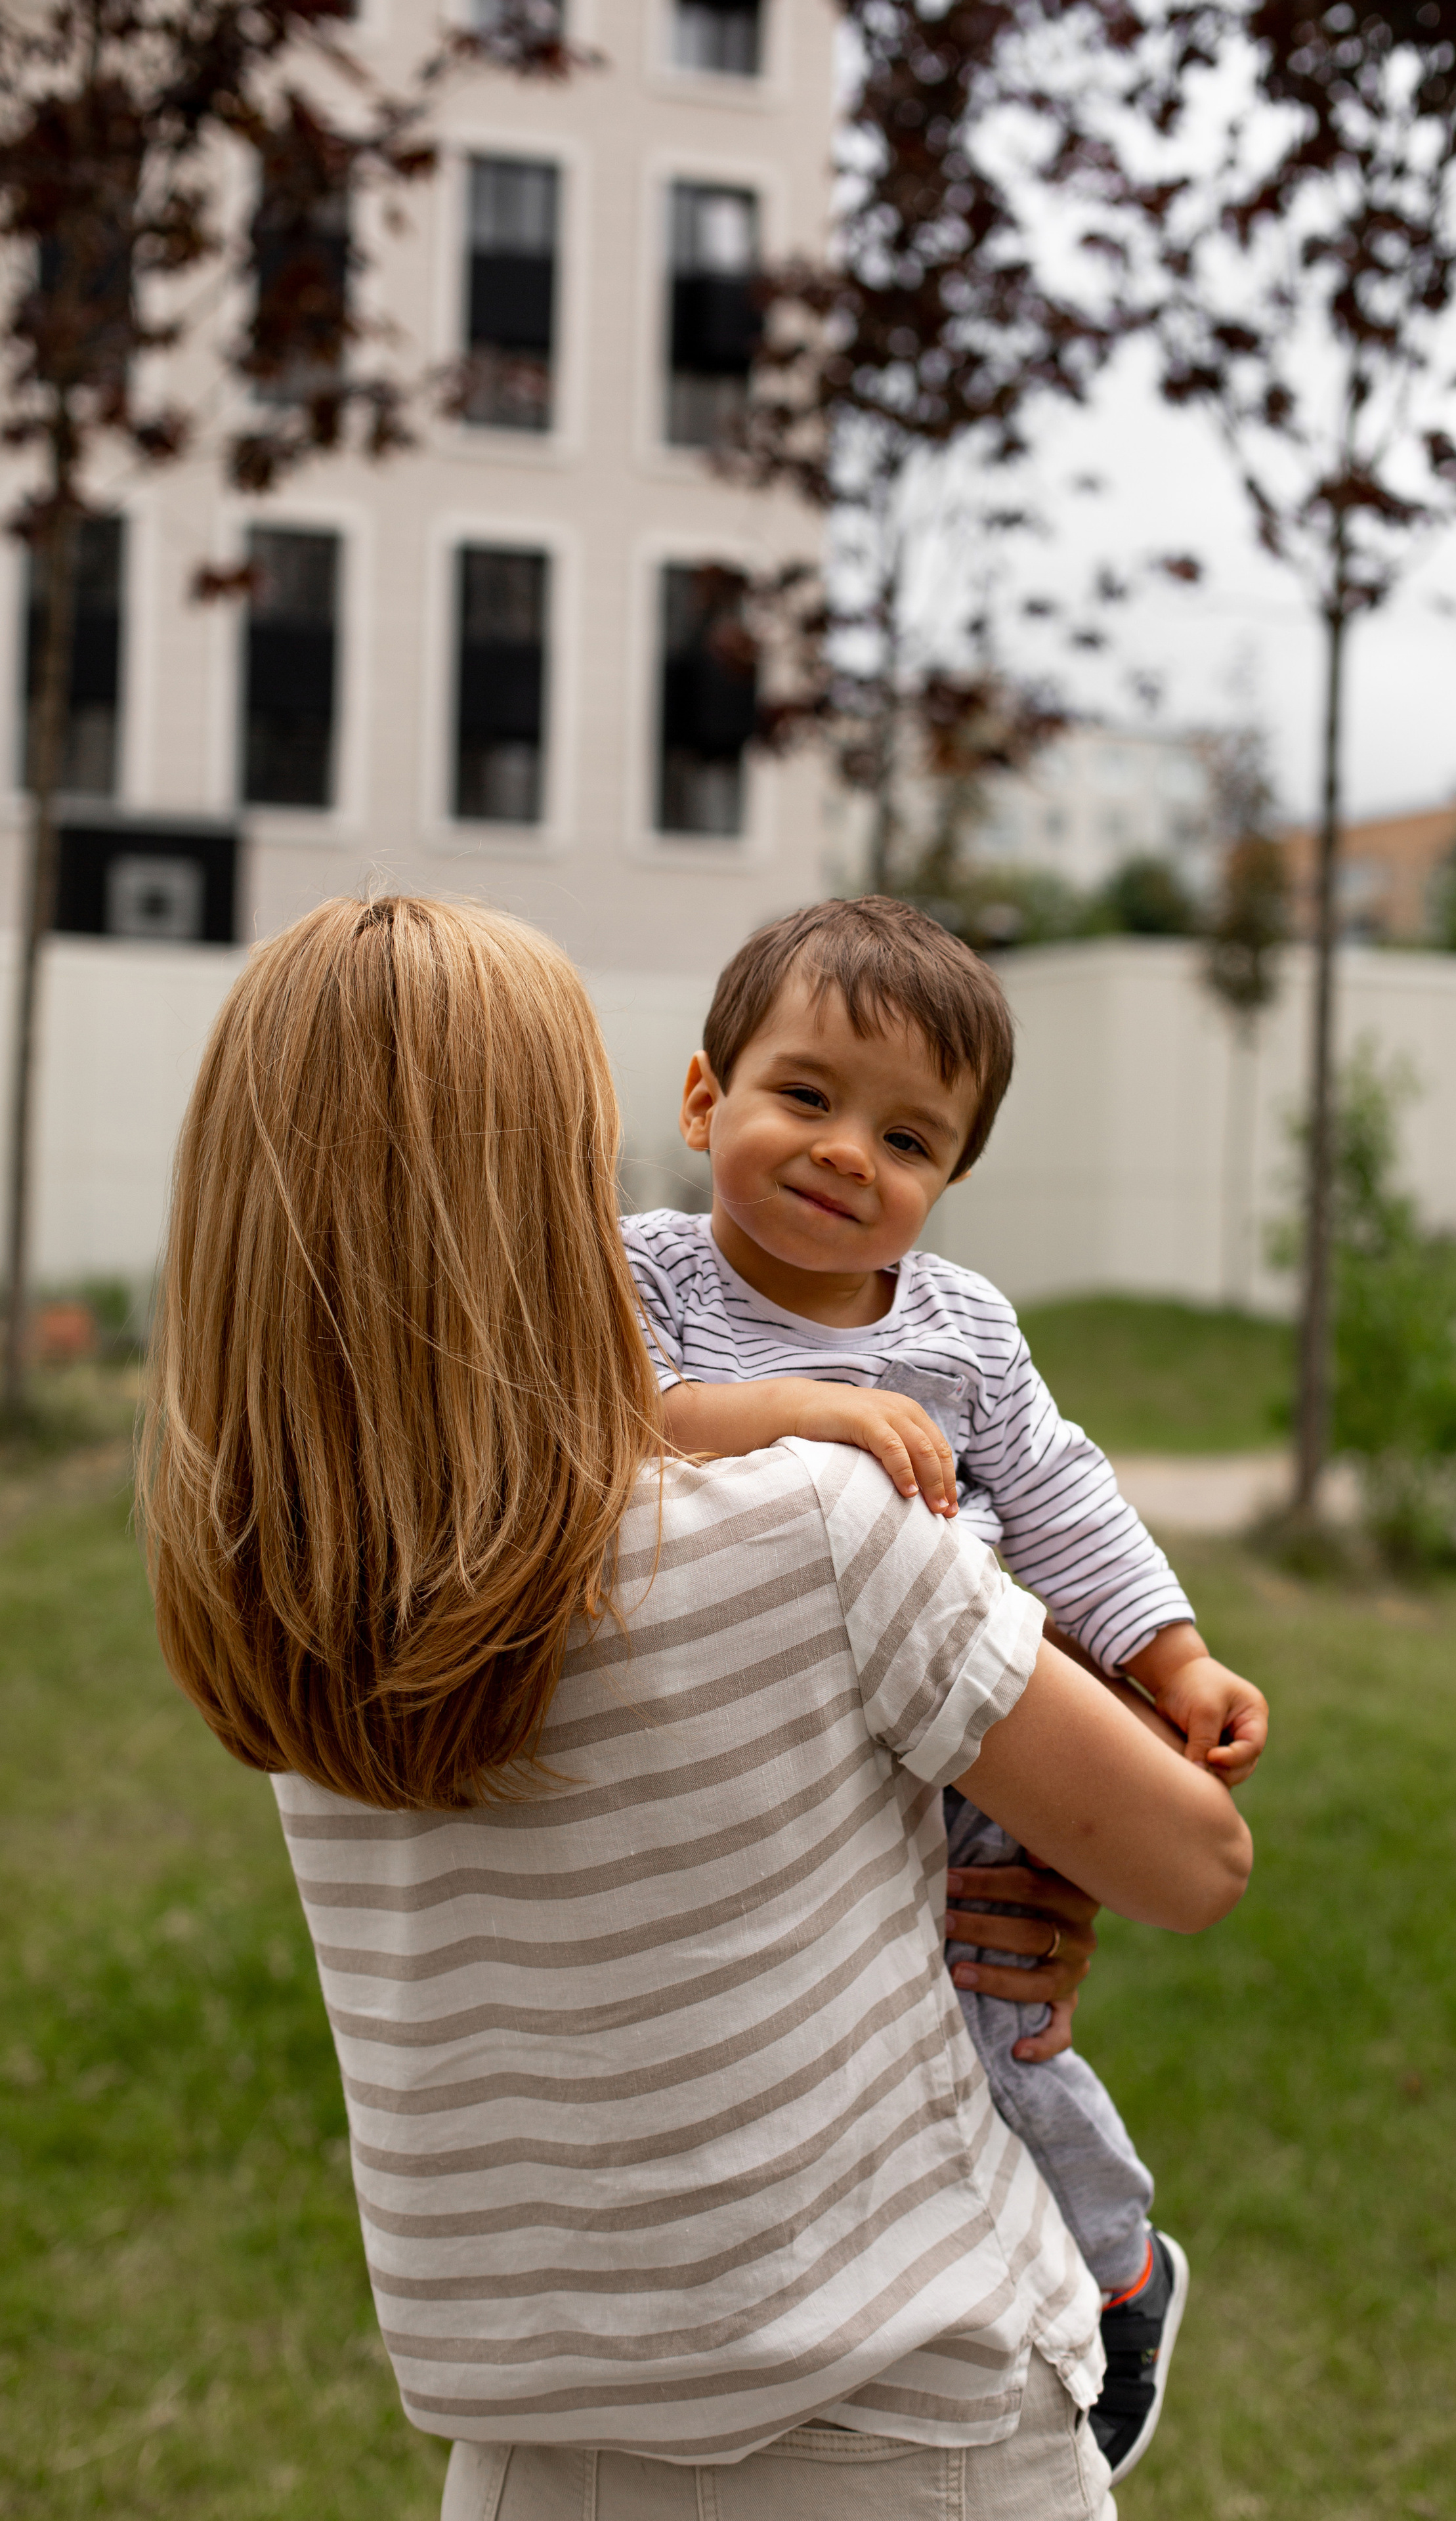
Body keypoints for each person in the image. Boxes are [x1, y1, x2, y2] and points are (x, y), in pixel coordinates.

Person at [139, 895, 1253, 2520]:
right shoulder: (814, 1515)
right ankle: (1116, 2276)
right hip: (903, 2420)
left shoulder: (306, 1588)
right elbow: (1197, 1863)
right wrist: (1060, 1827)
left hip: (532, 2439)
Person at [620, 895, 1271, 2480]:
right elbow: (602, 1419)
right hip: (790, 1757)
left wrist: (1168, 1659)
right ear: (705, 1101)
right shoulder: (647, 1279)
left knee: (995, 2018)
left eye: (909, 1139)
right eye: (807, 1097)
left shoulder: (961, 1330)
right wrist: (790, 1413)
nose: (850, 1153)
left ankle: (1113, 2272)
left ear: (949, 1184)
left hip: (978, 1729)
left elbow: (1057, 1494)